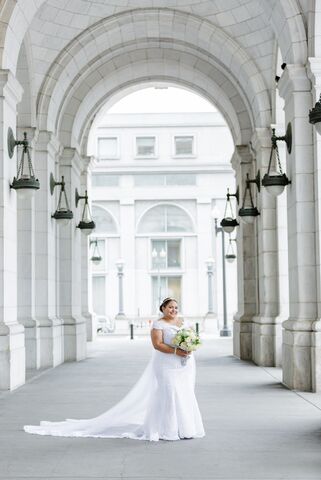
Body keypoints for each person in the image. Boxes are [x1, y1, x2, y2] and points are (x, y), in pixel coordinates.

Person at [24, 298, 205, 441]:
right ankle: (167, 430)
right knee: (169, 393)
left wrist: (189, 347)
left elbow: (191, 337)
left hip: (184, 364)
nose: (173, 310)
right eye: (170, 307)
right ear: (163, 309)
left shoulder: (182, 322)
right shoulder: (158, 325)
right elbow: (157, 345)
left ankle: (185, 428)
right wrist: (176, 350)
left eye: (175, 307)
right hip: (166, 363)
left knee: (184, 393)